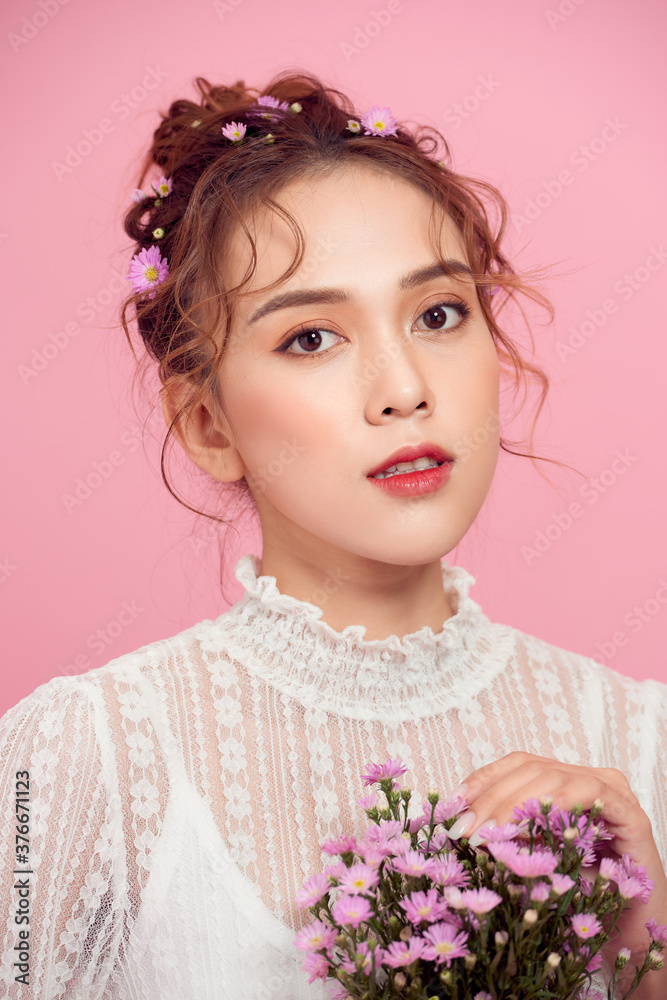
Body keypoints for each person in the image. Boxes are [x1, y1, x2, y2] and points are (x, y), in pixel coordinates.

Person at [1, 70, 665, 1000]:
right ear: (207, 427)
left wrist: (645, 961)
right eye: (312, 337)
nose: (402, 386)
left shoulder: (641, 743)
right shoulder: (79, 757)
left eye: (439, 315)